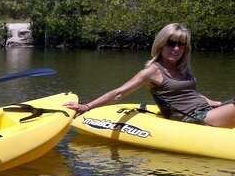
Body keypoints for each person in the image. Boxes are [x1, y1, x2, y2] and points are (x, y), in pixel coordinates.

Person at [64, 23, 235, 128]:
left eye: (181, 45)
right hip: (194, 119)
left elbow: (191, 95)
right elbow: (119, 93)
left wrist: (215, 103)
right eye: (171, 43)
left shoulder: (182, 68)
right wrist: (87, 107)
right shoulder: (153, 72)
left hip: (208, 111)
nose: (176, 49)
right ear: (161, 44)